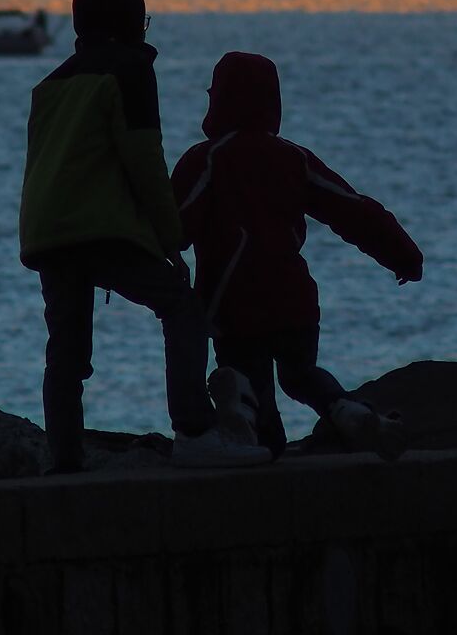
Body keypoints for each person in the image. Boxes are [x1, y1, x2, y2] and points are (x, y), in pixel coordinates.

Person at [18, 0, 272, 473]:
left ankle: (64, 458)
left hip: (46, 228)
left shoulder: (50, 83)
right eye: (144, 22)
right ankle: (195, 431)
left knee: (66, 351)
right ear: (129, 26)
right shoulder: (131, 71)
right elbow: (144, 160)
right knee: (182, 307)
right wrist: (169, 235)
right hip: (99, 226)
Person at [172, 51, 423, 459]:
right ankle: (346, 411)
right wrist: (403, 257)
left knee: (252, 394)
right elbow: (351, 208)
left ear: (218, 100)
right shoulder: (294, 158)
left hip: (233, 302)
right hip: (294, 299)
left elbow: (175, 225)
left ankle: (260, 443)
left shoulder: (205, 159)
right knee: (301, 374)